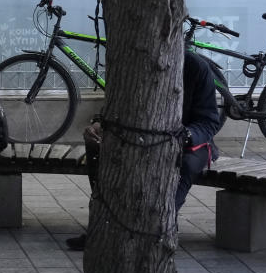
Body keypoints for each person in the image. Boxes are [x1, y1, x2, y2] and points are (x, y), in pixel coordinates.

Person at [66, 50, 222, 250]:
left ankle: (159, 227)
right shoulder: (134, 64)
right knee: (97, 147)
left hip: (187, 142)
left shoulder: (196, 67)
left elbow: (208, 122)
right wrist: (100, 124)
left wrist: (186, 136)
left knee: (184, 165)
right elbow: (116, 109)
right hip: (139, 138)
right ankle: (103, 226)